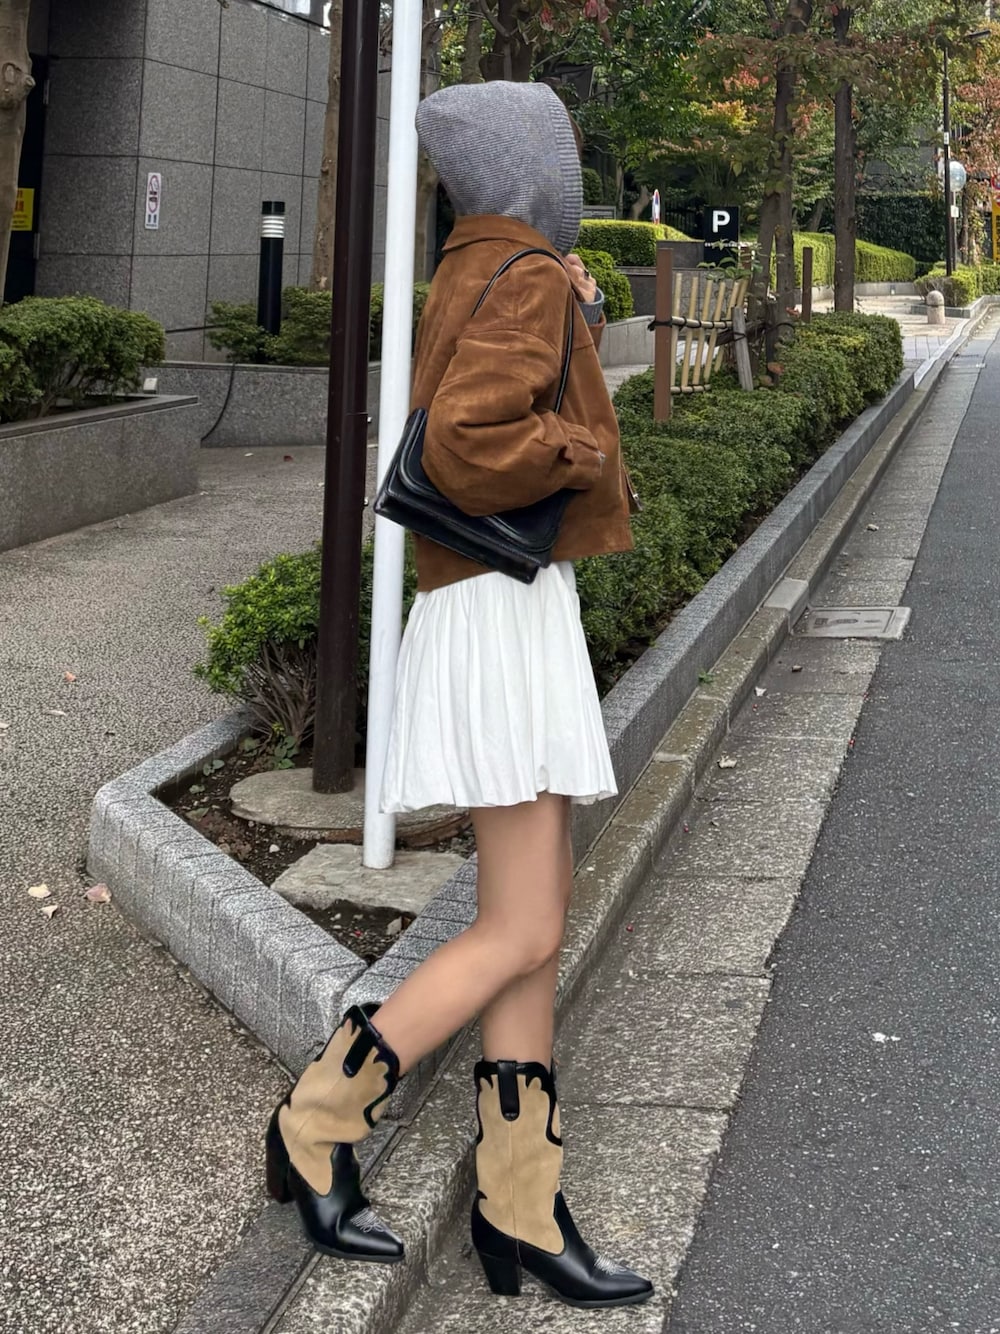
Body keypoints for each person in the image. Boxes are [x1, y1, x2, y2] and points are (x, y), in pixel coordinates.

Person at [264, 80, 651, 1309]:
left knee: (534, 915)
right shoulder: (523, 274)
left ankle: (519, 1205)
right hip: (498, 609)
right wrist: (586, 448)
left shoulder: (484, 265)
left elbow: (502, 384)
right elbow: (468, 442)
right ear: (531, 170)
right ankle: (318, 1117)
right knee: (522, 927)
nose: (571, 174)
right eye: (561, 156)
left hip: (487, 603)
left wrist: (579, 312)